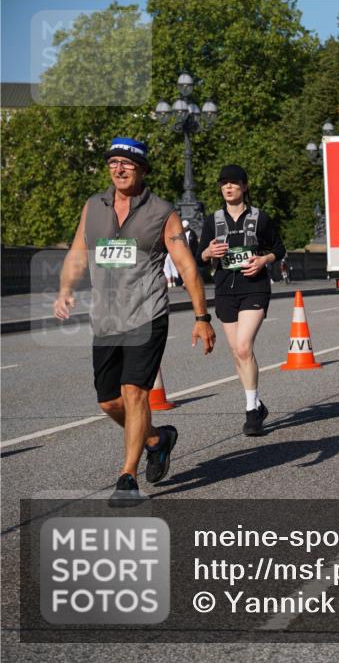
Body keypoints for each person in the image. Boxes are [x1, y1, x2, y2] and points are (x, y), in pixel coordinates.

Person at [53, 137, 216, 505]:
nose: (119, 168)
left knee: (134, 392)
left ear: (142, 169)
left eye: (127, 163)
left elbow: (188, 266)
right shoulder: (94, 206)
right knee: (109, 402)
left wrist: (202, 317)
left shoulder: (162, 212)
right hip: (106, 317)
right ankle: (156, 440)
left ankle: (127, 475)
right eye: (113, 162)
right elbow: (79, 251)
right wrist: (65, 288)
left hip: (148, 313)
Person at [199, 164, 284, 436]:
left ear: (245, 187)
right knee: (236, 350)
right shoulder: (212, 220)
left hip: (254, 287)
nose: (228, 187)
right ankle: (257, 404)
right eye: (224, 183)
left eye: (234, 183)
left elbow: (278, 249)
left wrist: (263, 260)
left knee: (244, 347)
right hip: (225, 288)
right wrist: (208, 252)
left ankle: (250, 411)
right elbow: (199, 256)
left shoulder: (260, 217)